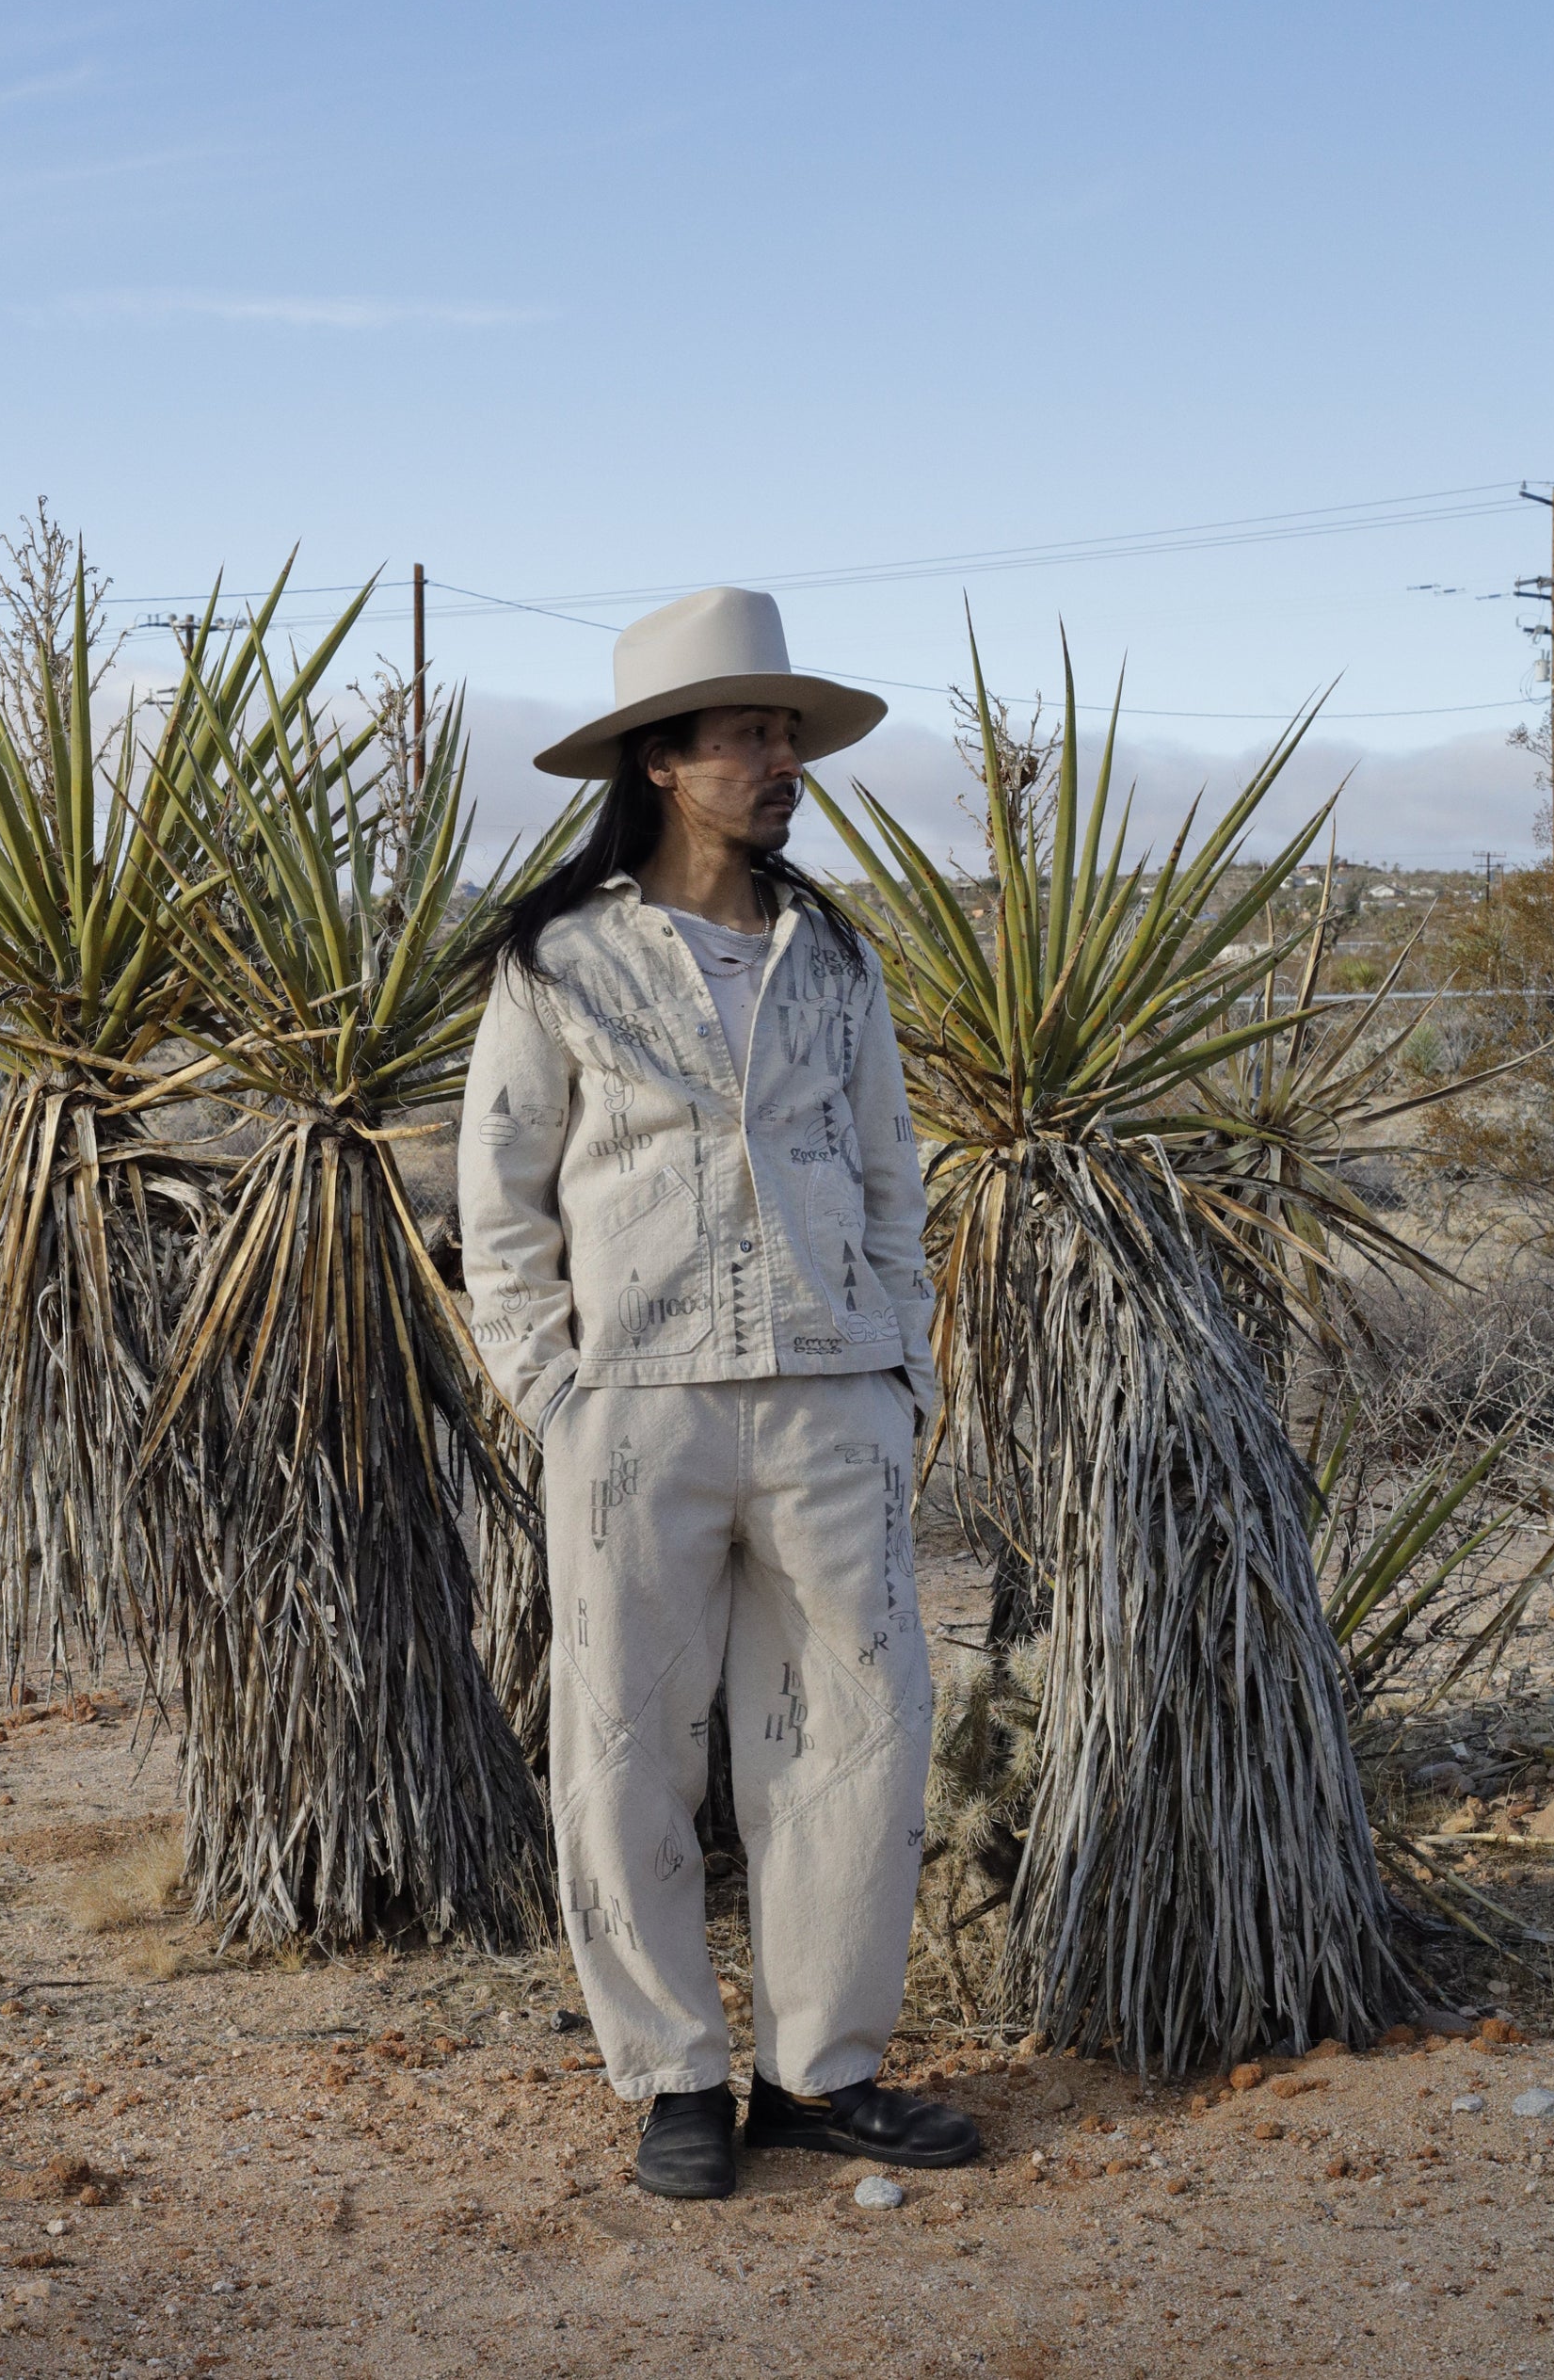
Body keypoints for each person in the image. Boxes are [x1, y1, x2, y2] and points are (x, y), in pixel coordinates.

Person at [458, 586, 978, 2201]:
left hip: (835, 1397)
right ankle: (673, 2074)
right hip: (638, 1411)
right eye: (748, 735)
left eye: (786, 736)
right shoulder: (559, 957)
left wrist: (899, 1354)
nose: (779, 761)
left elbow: (892, 1171)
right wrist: (558, 1389)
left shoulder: (833, 956)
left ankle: (819, 2073)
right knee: (623, 1742)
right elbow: (500, 1200)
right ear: (663, 762)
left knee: (860, 1734)